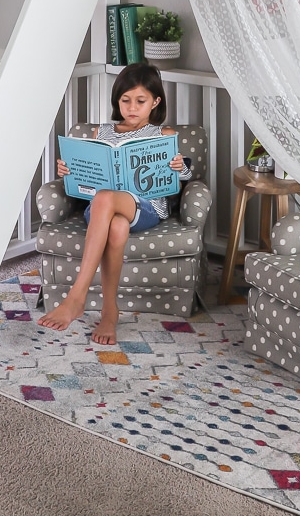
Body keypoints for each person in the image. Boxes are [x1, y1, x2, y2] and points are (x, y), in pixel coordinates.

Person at [37, 62, 189, 346]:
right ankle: (110, 311)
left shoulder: (164, 136)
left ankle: (76, 296)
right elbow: (86, 187)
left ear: (155, 102)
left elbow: (177, 182)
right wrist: (70, 171)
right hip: (102, 210)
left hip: (144, 208)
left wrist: (179, 168)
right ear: (116, 101)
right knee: (116, 226)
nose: (132, 107)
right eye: (125, 100)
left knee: (107, 198)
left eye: (140, 101)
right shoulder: (102, 132)